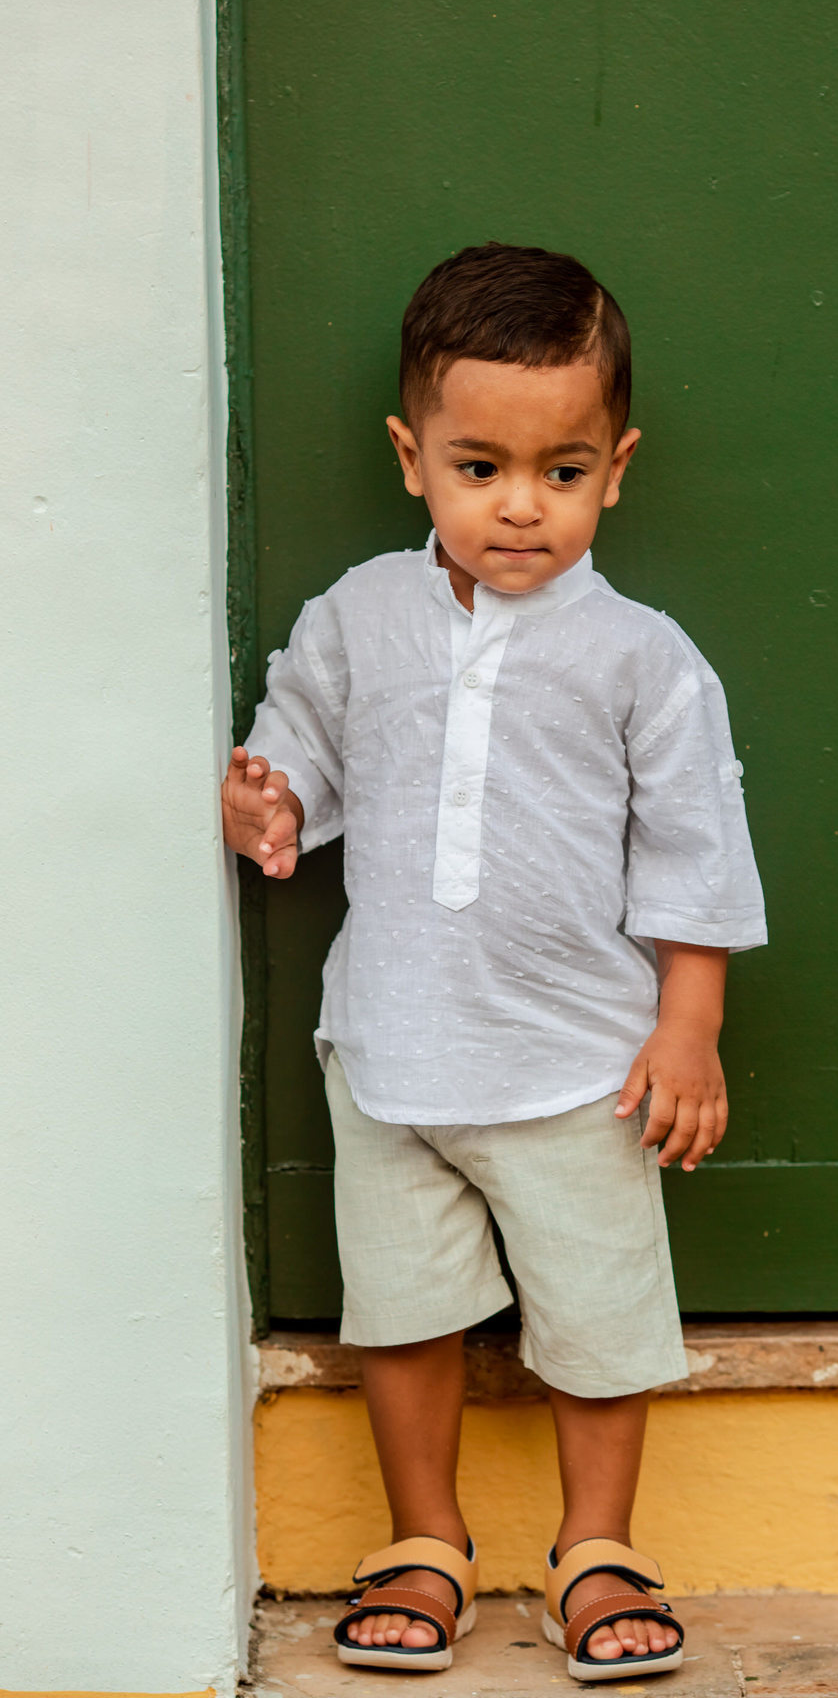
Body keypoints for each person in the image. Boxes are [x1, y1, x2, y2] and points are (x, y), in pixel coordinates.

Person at [222, 242, 767, 1681]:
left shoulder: (643, 657)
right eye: (479, 468)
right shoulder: (358, 617)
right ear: (413, 459)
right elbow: (298, 749)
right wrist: (266, 803)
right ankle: (425, 1540)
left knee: (598, 1315)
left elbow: (695, 848)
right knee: (402, 1313)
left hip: (581, 1060)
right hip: (394, 1044)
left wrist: (689, 1025)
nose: (520, 505)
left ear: (616, 469)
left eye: (562, 471)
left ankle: (599, 1549)